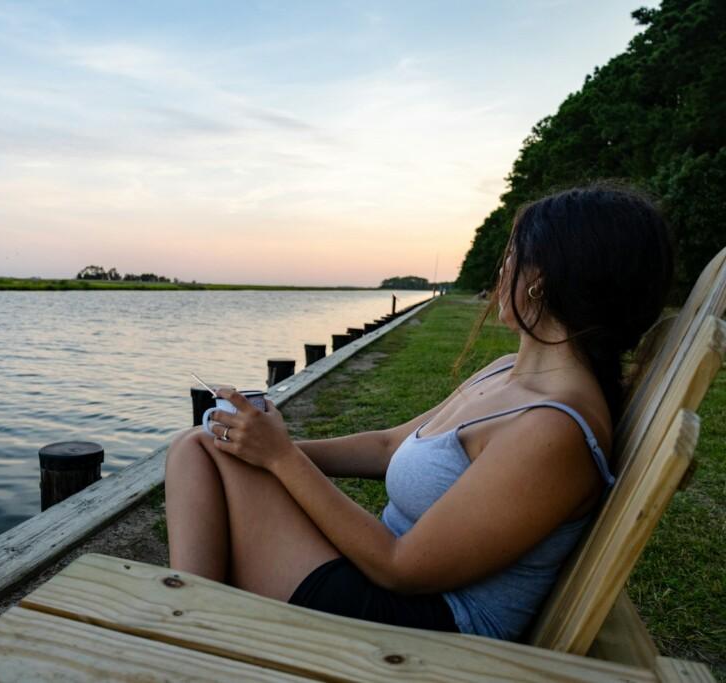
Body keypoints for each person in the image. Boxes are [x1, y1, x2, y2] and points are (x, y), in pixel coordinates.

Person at [164, 184, 675, 641]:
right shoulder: (506, 372)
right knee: (202, 445)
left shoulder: (552, 429)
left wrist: (280, 458)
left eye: (511, 256)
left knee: (200, 449)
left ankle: (186, 639)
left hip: (419, 629)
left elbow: (401, 568)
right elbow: (389, 445)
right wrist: (266, 445)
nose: (501, 271)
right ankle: (191, 636)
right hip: (382, 586)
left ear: (538, 280)